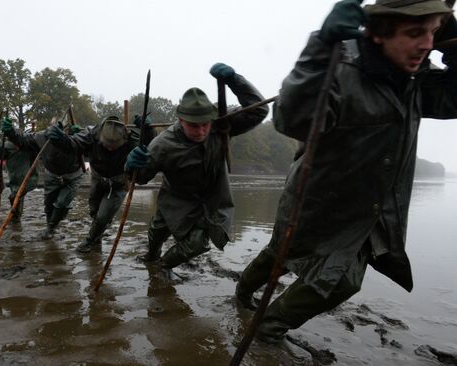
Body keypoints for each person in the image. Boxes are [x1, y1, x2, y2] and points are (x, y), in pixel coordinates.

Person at [236, 0, 457, 344]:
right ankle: (244, 288)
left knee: (342, 281)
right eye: (415, 32)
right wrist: (319, 49)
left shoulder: (416, 79)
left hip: (371, 212)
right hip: (317, 201)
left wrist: (456, 46)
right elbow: (291, 119)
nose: (427, 44)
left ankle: (269, 325)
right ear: (381, 33)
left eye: (433, 31)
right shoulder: (342, 68)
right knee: (280, 255)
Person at [125, 63, 269, 270]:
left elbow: (260, 110)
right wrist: (132, 166)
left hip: (212, 198)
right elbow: (139, 178)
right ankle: (152, 254)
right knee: (158, 229)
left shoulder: (222, 124)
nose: (201, 131)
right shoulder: (163, 145)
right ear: (181, 120)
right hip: (176, 198)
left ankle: (163, 267)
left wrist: (235, 80)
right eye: (194, 125)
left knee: (197, 244)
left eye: (205, 124)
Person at [46, 115, 155, 252]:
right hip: (97, 179)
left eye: (114, 146)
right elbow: (73, 144)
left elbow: (150, 149)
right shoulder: (91, 133)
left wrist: (148, 131)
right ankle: (98, 233)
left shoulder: (130, 138)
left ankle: (89, 241)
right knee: (94, 210)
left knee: (103, 216)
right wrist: (60, 139)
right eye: (107, 145)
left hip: (118, 184)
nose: (110, 149)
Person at [1, 117, 84, 239]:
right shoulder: (42, 137)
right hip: (52, 174)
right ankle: (50, 228)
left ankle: (52, 227)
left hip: (72, 176)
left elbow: (90, 141)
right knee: (49, 204)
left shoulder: (74, 137)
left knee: (61, 203)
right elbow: (23, 141)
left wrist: (81, 134)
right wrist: (10, 132)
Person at [0, 121, 39, 224]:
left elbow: (25, 144)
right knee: (16, 196)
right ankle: (16, 217)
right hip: (14, 176)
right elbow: (3, 154)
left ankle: (15, 217)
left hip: (27, 176)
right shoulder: (7, 145)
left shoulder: (28, 144)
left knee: (15, 196)